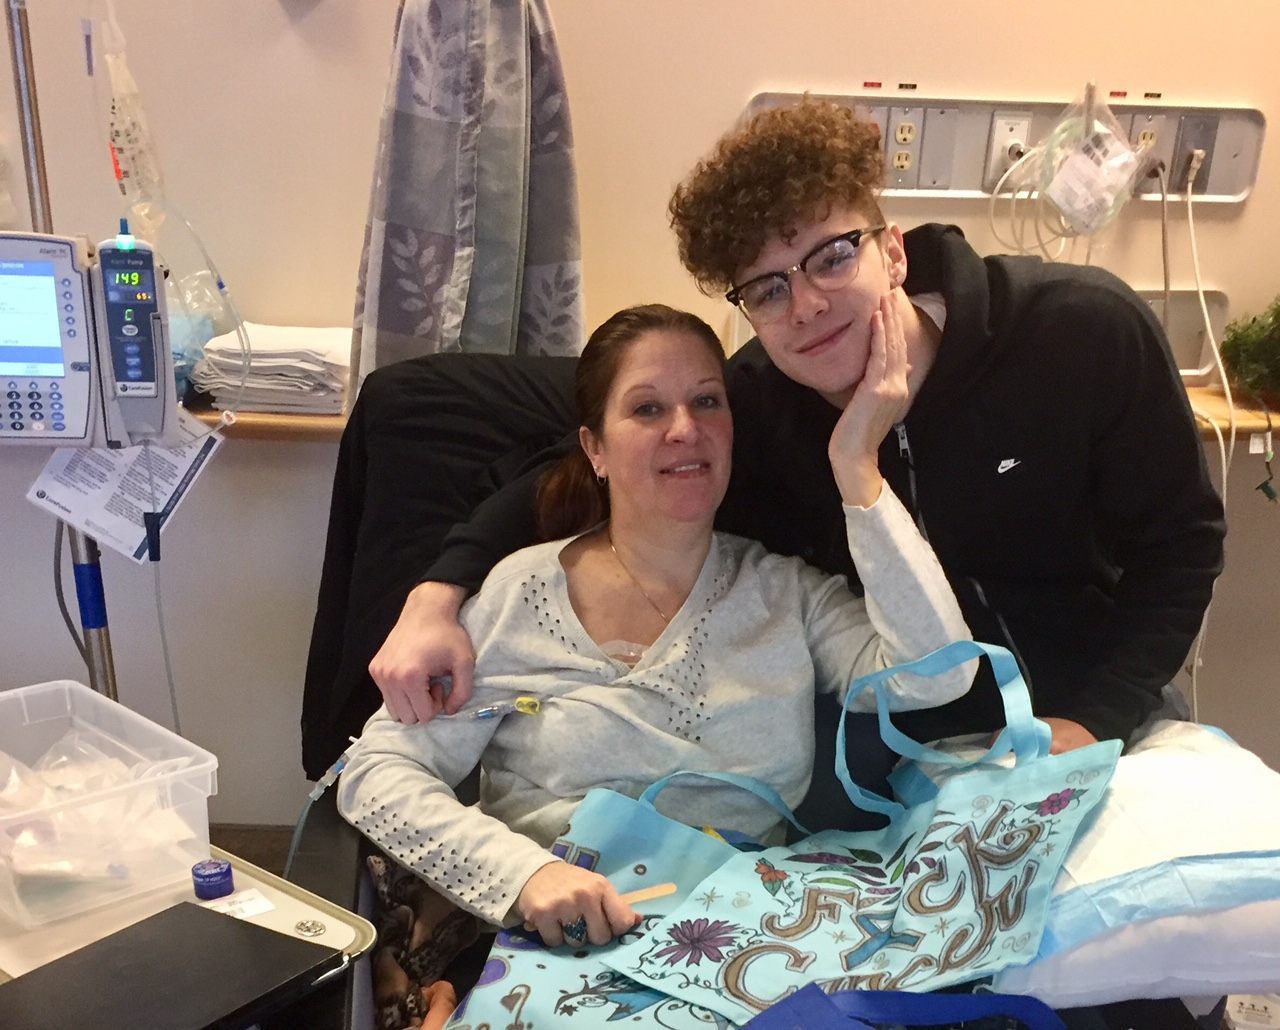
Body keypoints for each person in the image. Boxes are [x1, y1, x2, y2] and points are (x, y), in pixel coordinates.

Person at [368, 99, 1225, 771]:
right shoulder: (753, 410)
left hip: (1100, 715)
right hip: (899, 745)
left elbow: (1180, 547)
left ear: (892, 251)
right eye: (766, 289)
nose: (806, 306)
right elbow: (583, 479)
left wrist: (1093, 719)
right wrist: (433, 599)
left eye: (831, 255)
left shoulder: (1077, 334)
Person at [339, 303, 973, 958]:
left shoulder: (787, 594)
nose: (684, 429)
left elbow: (939, 673)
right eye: (647, 409)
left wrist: (857, 464)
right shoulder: (518, 596)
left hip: (743, 949)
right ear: (595, 448)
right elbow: (377, 772)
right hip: (560, 949)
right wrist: (523, 876)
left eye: (707, 402)